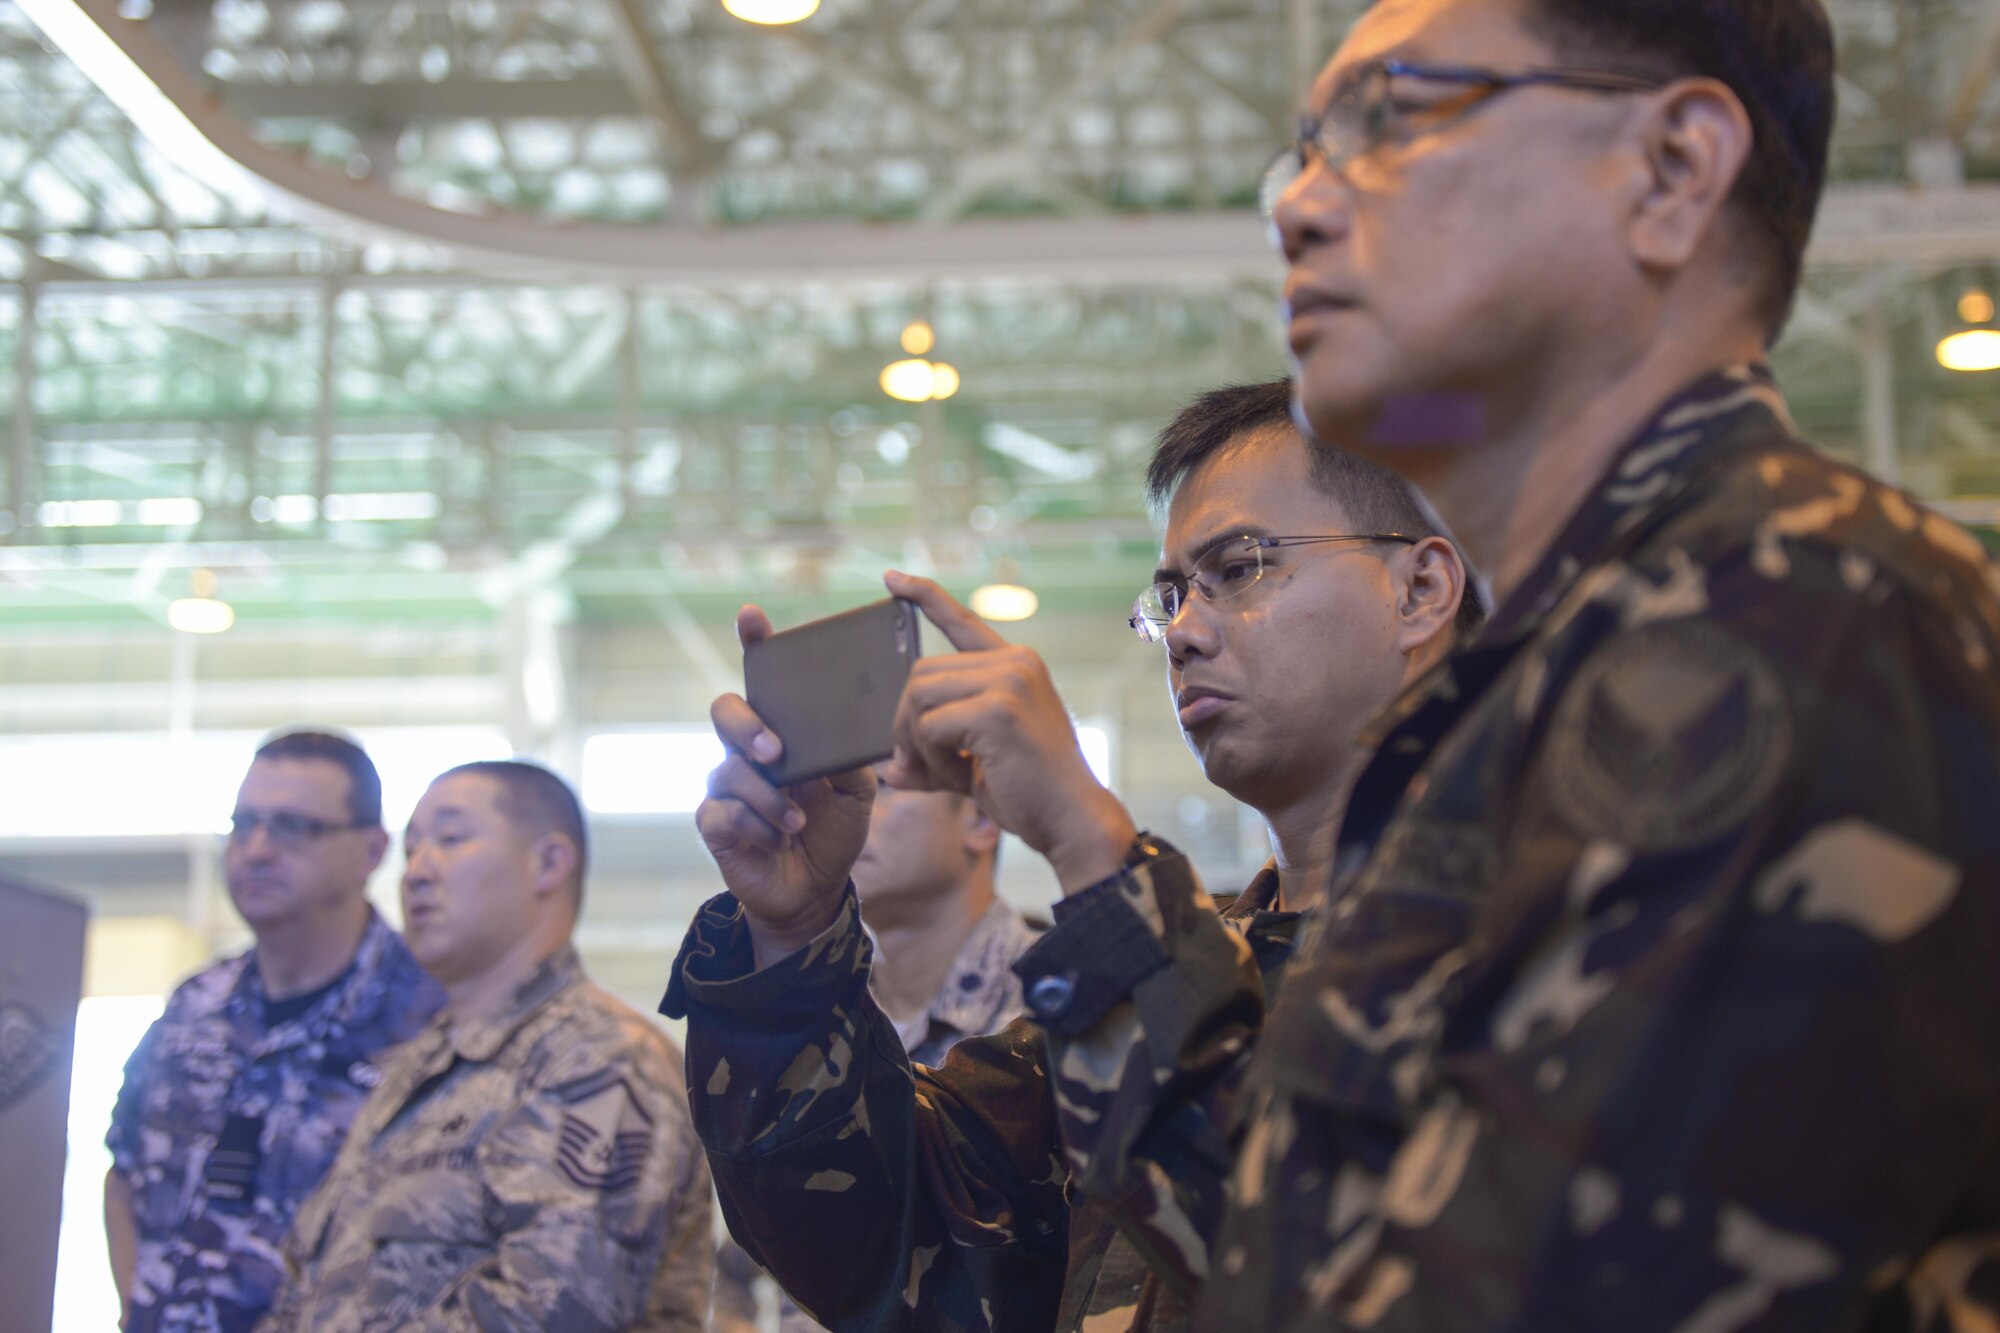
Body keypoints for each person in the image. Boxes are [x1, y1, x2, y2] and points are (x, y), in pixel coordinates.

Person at [1005, 1, 2000, 1329]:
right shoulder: (1552, 681)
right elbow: (1301, 1239)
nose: (1299, 204)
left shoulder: (1792, 621)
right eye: (1303, 152)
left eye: (1398, 118)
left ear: (1671, 170)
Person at [662, 379, 1481, 1332]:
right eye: (1172, 595)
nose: (1184, 630)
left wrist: (1089, 840)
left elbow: (1320, 1261)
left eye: (1242, 566)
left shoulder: (1535, 924)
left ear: (1419, 589)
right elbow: (883, 1247)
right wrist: (792, 941)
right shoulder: (1207, 958)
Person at [262, 760, 714, 1331]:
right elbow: (310, 1285)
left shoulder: (600, 1058)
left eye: (450, 839)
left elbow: (554, 1310)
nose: (417, 872)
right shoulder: (420, 1066)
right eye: (412, 849)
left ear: (548, 864)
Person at [105, 730, 444, 1333]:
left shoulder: (433, 1018)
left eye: (293, 828)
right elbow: (126, 1170)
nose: (256, 850)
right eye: (244, 824)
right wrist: (138, 1305)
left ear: (371, 850)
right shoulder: (195, 1005)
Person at [710, 777, 1041, 1333]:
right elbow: (736, 1267)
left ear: (982, 820)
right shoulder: (819, 1023)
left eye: (882, 785)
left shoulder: (1059, 1011)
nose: (838, 810)